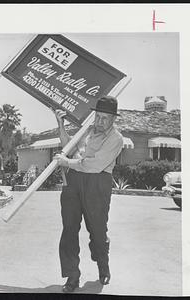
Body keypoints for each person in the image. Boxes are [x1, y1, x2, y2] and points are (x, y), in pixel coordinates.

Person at [54, 96, 124, 293]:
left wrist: (66, 162)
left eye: (104, 118)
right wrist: (61, 125)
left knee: (98, 232)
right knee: (69, 229)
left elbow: (93, 165)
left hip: (97, 183)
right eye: (97, 117)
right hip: (73, 182)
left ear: (113, 119)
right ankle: (72, 276)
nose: (99, 122)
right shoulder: (86, 130)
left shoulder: (115, 139)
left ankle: (103, 265)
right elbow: (68, 146)